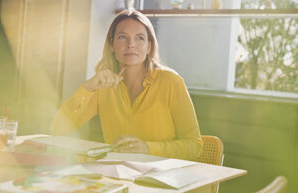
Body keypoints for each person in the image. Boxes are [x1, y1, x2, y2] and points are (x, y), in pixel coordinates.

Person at [51, 10, 203, 160]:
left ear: (149, 47)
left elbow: (194, 146)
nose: (131, 44)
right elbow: (58, 129)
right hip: (117, 175)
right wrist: (87, 88)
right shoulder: (103, 86)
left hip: (162, 179)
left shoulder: (171, 82)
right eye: (123, 37)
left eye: (139, 38)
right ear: (112, 45)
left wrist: (148, 148)